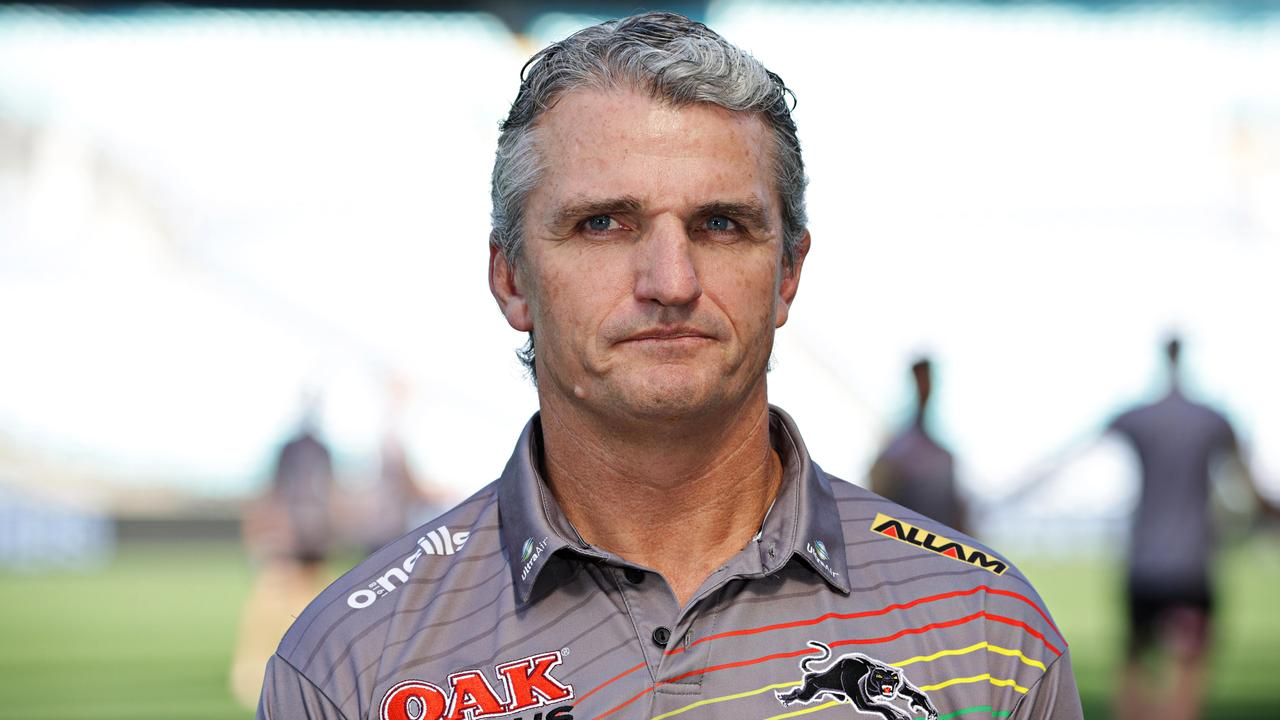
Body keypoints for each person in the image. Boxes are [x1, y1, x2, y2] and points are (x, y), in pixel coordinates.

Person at [257, 13, 1081, 720]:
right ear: (511, 278)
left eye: (721, 224)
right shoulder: (350, 660)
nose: (671, 282)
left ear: (788, 273)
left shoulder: (987, 625)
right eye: (604, 224)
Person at [1108, 337, 1271, 720]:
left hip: (1146, 565)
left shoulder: (1140, 417)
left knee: (1135, 667)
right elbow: (1247, 486)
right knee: (1187, 673)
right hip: (1190, 568)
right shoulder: (1212, 419)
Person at [870, 357, 968, 534]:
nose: (925, 385)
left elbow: (957, 508)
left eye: (927, 378)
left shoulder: (941, 454)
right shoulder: (897, 449)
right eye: (921, 378)